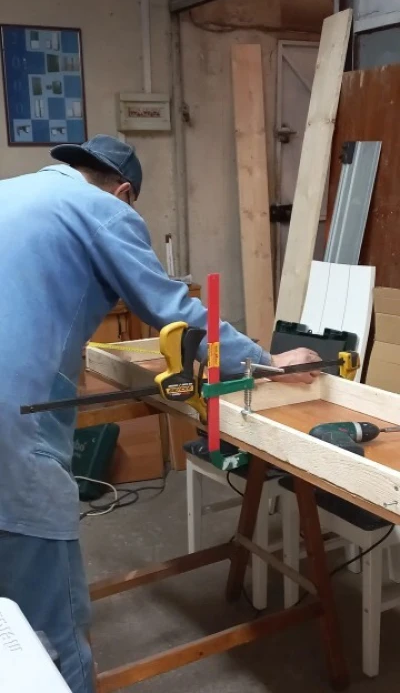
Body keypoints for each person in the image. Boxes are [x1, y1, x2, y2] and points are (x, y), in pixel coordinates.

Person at [0, 134, 321, 693]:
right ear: (124, 192)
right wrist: (267, 362)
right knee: (48, 631)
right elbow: (174, 310)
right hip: (10, 431)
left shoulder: (14, 192)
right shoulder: (104, 209)